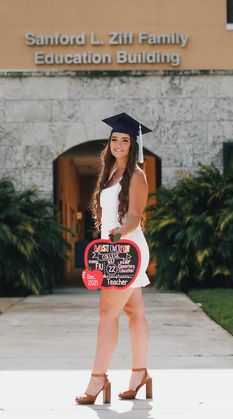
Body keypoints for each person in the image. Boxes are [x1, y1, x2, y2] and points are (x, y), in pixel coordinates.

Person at [75, 112, 153, 405]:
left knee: (107, 314)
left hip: (127, 250)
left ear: (133, 145)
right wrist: (105, 242)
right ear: (109, 144)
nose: (119, 144)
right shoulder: (109, 173)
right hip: (112, 249)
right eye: (115, 140)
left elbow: (134, 215)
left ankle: (97, 379)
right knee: (133, 312)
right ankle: (139, 374)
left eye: (125, 140)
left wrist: (120, 233)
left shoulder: (137, 175)